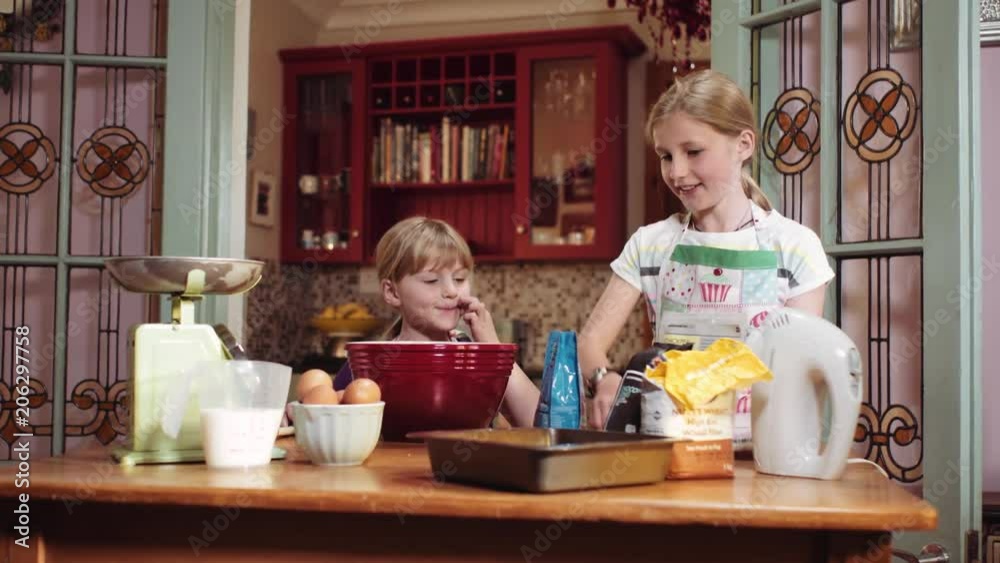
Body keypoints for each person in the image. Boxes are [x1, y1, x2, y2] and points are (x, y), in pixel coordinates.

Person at [579, 69, 835, 430]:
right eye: (666, 156)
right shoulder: (649, 246)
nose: (677, 172)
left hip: (763, 453)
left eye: (693, 151)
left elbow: (797, 367)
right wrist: (603, 378)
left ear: (743, 145)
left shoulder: (795, 248)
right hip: (671, 445)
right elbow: (589, 341)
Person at [330, 216, 539, 427]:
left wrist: (495, 349)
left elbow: (538, 424)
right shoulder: (367, 362)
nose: (451, 291)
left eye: (459, 279)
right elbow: (322, 415)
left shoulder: (474, 356)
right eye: (431, 280)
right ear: (392, 292)